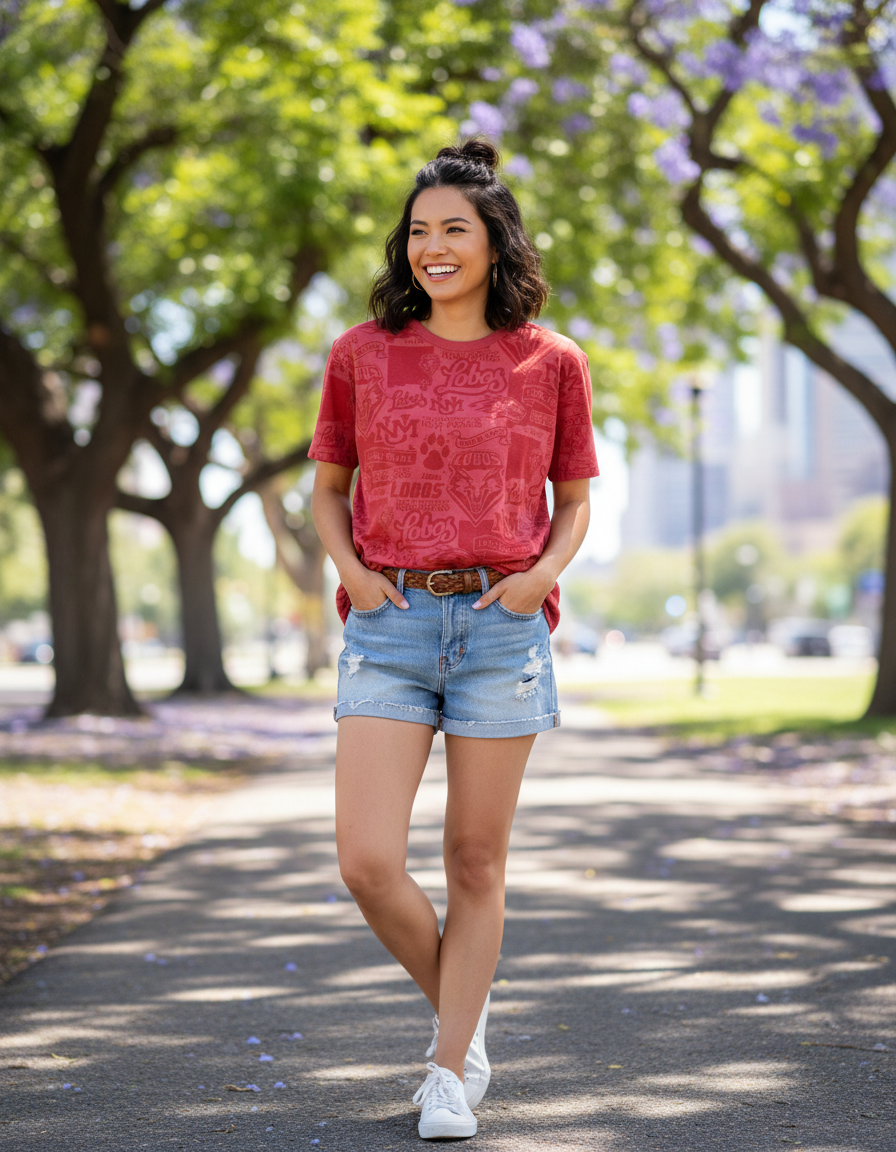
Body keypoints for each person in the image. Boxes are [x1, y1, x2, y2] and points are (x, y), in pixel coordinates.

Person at [309, 138, 599, 1140]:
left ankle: (445, 1071)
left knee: (475, 862)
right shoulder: (360, 353)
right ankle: (463, 1020)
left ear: (492, 242)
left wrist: (535, 583)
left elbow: (572, 505)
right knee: (365, 862)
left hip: (497, 629)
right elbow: (326, 490)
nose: (433, 246)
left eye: (454, 230)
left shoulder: (551, 362)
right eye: (419, 231)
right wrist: (352, 576)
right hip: (387, 624)